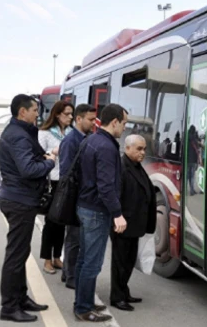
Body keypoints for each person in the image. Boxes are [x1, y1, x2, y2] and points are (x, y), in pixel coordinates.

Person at [0, 94, 56, 323]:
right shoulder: (19, 136)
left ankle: (20, 298)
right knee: (15, 255)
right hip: (19, 199)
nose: (37, 114)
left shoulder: (17, 133)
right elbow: (29, 169)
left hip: (18, 197)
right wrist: (50, 160)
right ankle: (9, 307)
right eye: (34, 110)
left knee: (19, 252)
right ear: (22, 112)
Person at [74, 104, 128, 322]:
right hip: (97, 210)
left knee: (83, 259)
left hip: (85, 205)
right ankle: (84, 308)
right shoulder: (106, 147)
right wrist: (117, 213)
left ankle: (82, 300)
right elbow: (106, 185)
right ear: (114, 122)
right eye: (124, 123)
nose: (124, 128)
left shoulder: (91, 140)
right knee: (92, 263)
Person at [110, 135, 156, 311]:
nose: (143, 152)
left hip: (135, 224)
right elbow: (116, 196)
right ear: (127, 148)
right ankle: (117, 297)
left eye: (144, 149)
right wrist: (117, 218)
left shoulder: (137, 166)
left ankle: (124, 291)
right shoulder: (122, 168)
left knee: (128, 262)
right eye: (139, 149)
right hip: (124, 224)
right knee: (120, 263)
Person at [59, 104, 97, 290]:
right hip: (74, 196)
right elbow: (65, 172)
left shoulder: (88, 138)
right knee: (74, 238)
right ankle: (71, 275)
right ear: (79, 119)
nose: (93, 123)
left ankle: (69, 271)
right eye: (90, 119)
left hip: (84, 196)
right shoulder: (70, 141)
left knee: (79, 238)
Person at [38, 100, 74, 275]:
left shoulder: (71, 132)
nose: (70, 117)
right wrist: (52, 153)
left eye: (71, 114)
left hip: (66, 181)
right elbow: (38, 154)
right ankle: (47, 259)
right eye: (67, 114)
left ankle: (57, 257)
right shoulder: (45, 133)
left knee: (62, 221)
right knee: (51, 223)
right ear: (57, 114)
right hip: (51, 181)